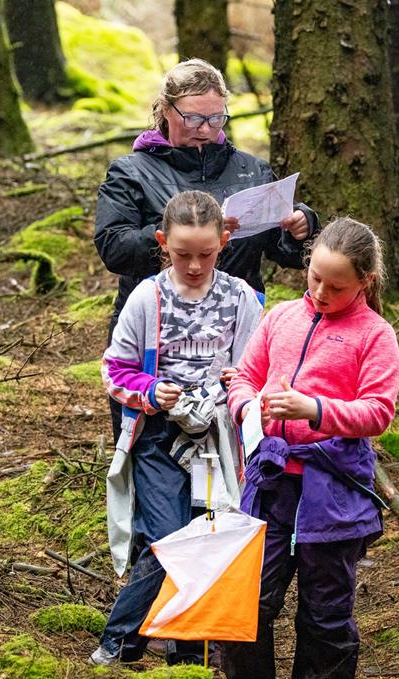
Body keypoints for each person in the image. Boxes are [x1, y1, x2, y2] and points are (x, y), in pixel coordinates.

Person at [221, 218, 399, 679]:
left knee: (325, 620)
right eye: (315, 277)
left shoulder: (375, 335)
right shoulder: (280, 317)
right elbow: (245, 378)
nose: (321, 292)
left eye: (336, 286)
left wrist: (314, 409)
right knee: (248, 605)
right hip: (271, 486)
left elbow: (378, 412)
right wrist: (247, 407)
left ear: (364, 281)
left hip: (334, 492)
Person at [95, 58, 319, 439]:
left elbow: (284, 254)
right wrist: (183, 237)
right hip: (157, 331)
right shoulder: (131, 171)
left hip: (234, 330)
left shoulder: (250, 170)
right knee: (150, 445)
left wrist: (301, 227)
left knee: (231, 448)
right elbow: (113, 246)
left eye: (217, 119)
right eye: (194, 119)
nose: (206, 130)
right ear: (167, 110)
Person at [93, 190, 265, 667]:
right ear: (162, 242)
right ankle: (120, 640)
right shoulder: (146, 298)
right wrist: (150, 392)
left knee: (206, 534)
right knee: (166, 536)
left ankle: (187, 651)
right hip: (157, 438)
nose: (193, 265)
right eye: (182, 254)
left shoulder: (241, 299)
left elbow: (259, 368)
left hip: (215, 441)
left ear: (225, 242)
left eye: (205, 254)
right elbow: (115, 369)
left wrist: (239, 385)